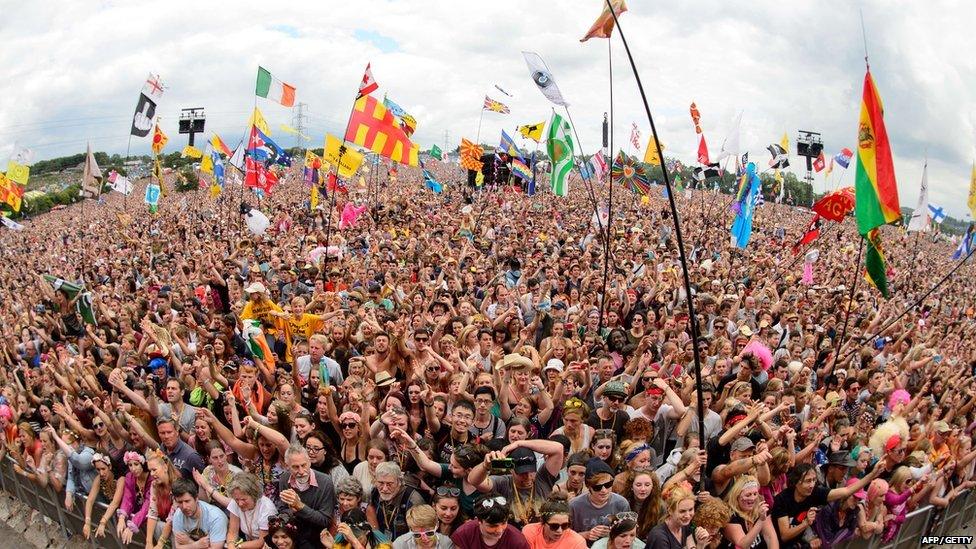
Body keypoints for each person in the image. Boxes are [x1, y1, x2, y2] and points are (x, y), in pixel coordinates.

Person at [276, 443, 335, 549]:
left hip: (315, 537)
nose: (301, 471)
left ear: (309, 462)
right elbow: (282, 510)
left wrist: (300, 506)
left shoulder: (325, 482)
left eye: (304, 465)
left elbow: (325, 520)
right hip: (291, 533)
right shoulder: (284, 479)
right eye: (295, 467)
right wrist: (292, 511)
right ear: (287, 466)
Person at [569, 458, 630, 543]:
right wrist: (587, 535)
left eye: (608, 485)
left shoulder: (621, 503)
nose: (604, 490)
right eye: (597, 487)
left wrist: (612, 533)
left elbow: (628, 534)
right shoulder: (574, 505)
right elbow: (565, 536)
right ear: (588, 487)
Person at [366, 461, 426, 540]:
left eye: (389, 484)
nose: (384, 489)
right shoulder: (375, 492)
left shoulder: (413, 501)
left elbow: (420, 536)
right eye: (380, 483)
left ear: (399, 482)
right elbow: (370, 511)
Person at [452, 494, 529, 549]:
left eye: (503, 523)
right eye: (493, 526)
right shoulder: (463, 534)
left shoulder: (518, 541)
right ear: (479, 520)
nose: (499, 530)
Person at [645, 484, 710, 549]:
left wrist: (701, 544)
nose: (687, 516)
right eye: (682, 511)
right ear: (670, 511)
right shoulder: (659, 537)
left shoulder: (684, 525)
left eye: (690, 509)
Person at [170, 477, 228, 549]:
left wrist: (188, 543)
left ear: (196, 498)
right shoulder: (178, 515)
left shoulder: (216, 517)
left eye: (187, 501)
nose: (184, 506)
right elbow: (178, 547)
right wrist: (196, 545)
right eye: (180, 502)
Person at [225, 472, 277, 548]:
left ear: (254, 495)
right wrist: (231, 545)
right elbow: (232, 532)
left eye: (244, 499)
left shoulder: (267, 508)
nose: (240, 503)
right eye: (237, 500)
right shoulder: (235, 501)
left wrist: (238, 547)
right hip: (246, 544)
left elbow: (261, 542)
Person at [521, 493, 587, 548]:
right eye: (554, 526)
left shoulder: (577, 542)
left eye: (565, 525)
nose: (559, 531)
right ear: (542, 522)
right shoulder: (530, 532)